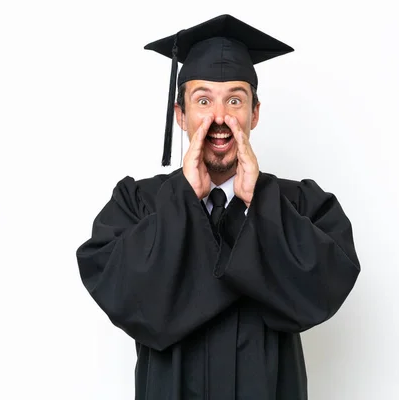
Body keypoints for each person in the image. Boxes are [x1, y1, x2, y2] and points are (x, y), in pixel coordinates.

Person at [76, 14, 360, 399]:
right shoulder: (138, 204)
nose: (219, 118)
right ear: (180, 116)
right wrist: (183, 200)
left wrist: (258, 203)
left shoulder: (301, 205)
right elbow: (123, 294)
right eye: (203, 100)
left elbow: (324, 288)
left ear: (254, 114)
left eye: (235, 100)